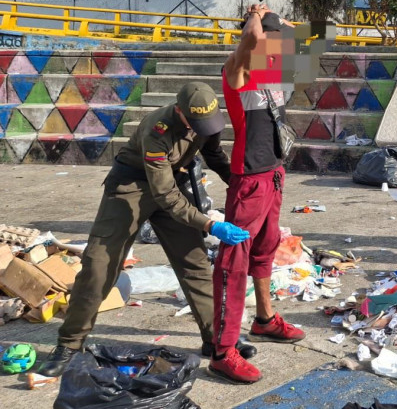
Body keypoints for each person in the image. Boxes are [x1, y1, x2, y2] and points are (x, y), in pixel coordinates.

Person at [35, 83, 254, 377]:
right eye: (196, 123)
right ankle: (70, 344)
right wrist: (210, 223)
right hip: (130, 188)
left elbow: (214, 156)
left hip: (172, 183)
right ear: (180, 111)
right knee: (100, 266)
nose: (203, 129)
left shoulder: (208, 121)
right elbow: (164, 196)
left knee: (195, 262)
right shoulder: (158, 130)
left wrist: (241, 185)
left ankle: (217, 339)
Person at [210, 3, 304, 384]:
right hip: (248, 180)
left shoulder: (275, 71)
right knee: (233, 264)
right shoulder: (239, 70)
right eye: (271, 38)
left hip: (274, 175)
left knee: (265, 252)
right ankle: (222, 351)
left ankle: (264, 320)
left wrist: (281, 24)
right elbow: (250, 39)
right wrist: (256, 15)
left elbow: (305, 40)